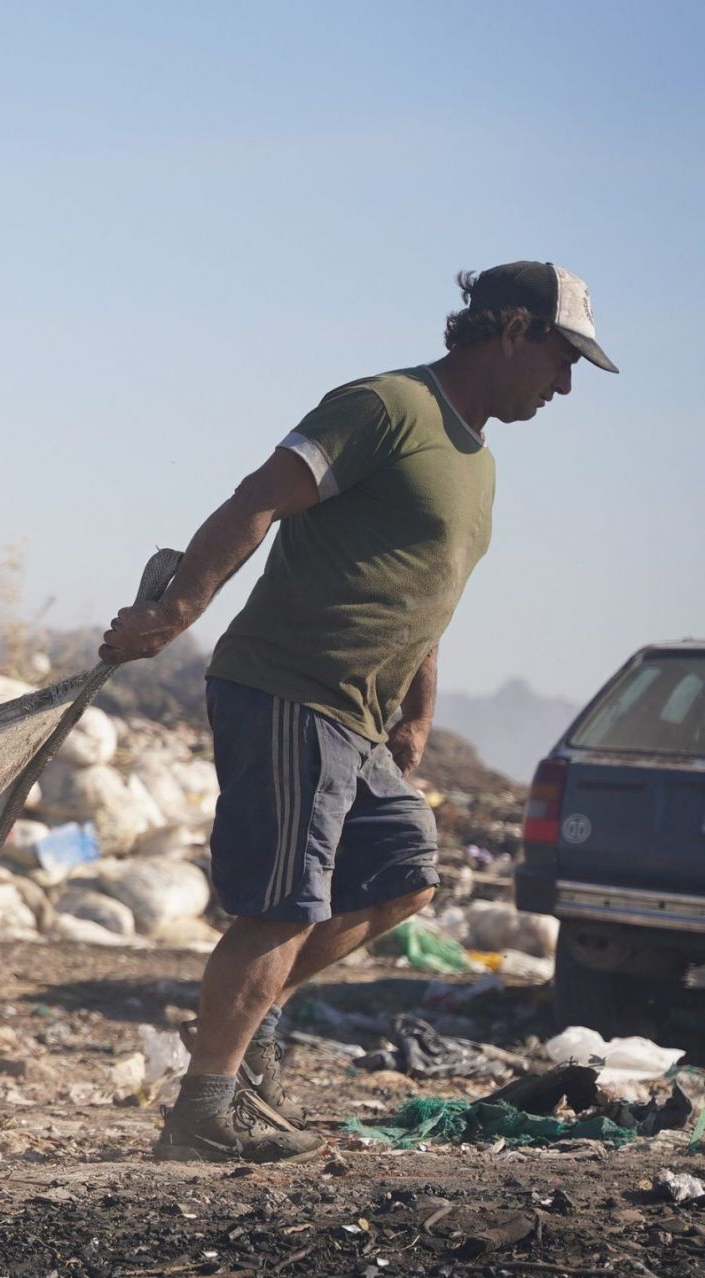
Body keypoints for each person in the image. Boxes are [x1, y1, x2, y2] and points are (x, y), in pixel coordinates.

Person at [99, 262, 617, 1162]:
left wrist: (416, 712)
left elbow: (424, 593)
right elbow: (258, 497)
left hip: (361, 714)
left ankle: (244, 1025)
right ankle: (205, 1112)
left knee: (403, 872)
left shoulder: (478, 464)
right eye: (561, 358)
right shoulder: (385, 407)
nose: (565, 385)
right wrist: (178, 609)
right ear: (513, 332)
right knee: (283, 907)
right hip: (293, 686)